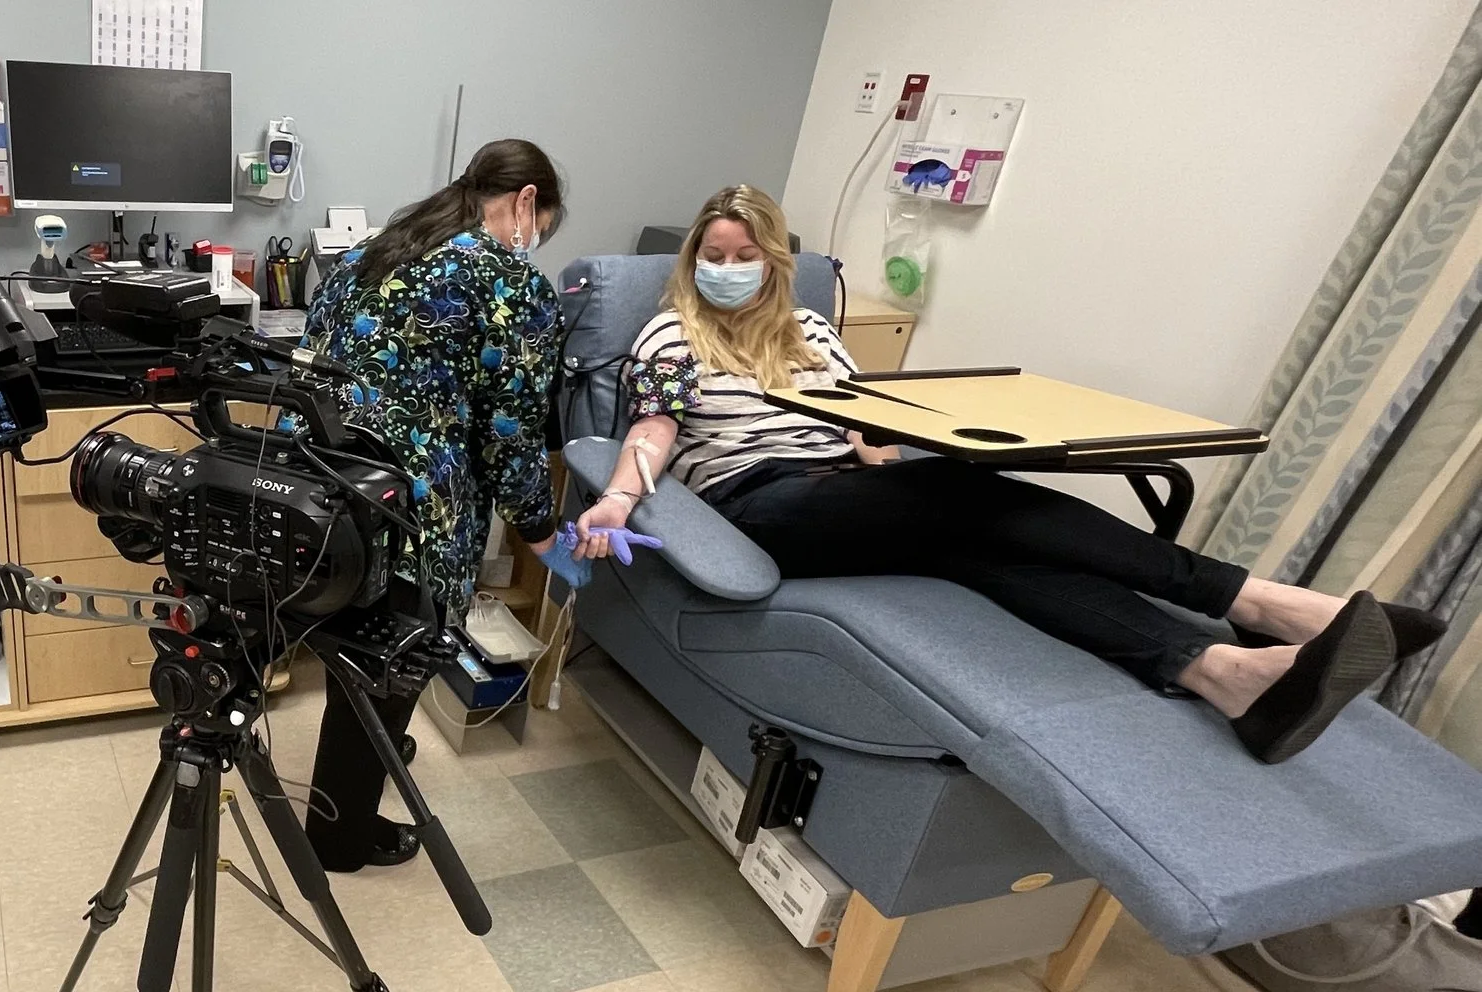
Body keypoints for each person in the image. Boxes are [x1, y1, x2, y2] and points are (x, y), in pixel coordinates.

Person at [573, 185, 1446, 764]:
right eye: (709, 256)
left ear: (773, 257)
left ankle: (1215, 670)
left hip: (846, 492)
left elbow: (869, 434)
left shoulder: (815, 332)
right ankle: (1257, 601)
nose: (724, 270)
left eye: (742, 254)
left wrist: (893, 453)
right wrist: (618, 495)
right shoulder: (670, 336)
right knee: (970, 500)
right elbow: (651, 429)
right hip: (758, 503)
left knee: (980, 542)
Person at [297, 140, 567, 872]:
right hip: (411, 509)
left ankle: (341, 796)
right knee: (386, 673)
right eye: (541, 219)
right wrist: (542, 532)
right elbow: (510, 440)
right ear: (525, 202)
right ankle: (339, 837)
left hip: (316, 490)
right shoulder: (513, 285)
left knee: (349, 655)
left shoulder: (373, 253)